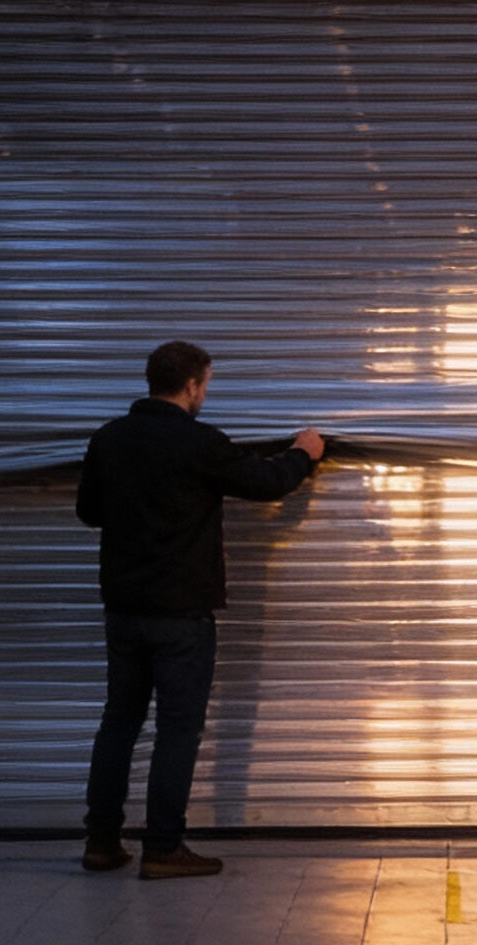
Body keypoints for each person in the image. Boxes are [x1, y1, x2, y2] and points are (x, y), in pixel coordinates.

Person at [75, 340, 324, 879]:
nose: (206, 393)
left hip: (123, 610)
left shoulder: (109, 439)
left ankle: (101, 841)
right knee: (177, 729)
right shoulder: (199, 443)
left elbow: (88, 512)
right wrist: (304, 451)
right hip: (181, 614)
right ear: (191, 385)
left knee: (118, 722)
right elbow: (267, 484)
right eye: (206, 384)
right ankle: (163, 847)